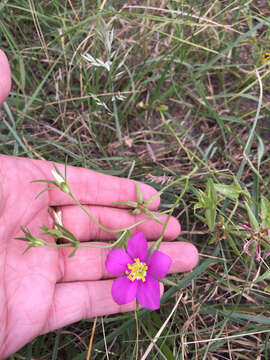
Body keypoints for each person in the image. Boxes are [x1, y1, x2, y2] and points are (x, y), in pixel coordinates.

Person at [0, 49, 198, 358]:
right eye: (136, 267)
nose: (136, 268)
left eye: (137, 268)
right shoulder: (134, 254)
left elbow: (143, 257)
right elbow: (130, 254)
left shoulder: (142, 258)